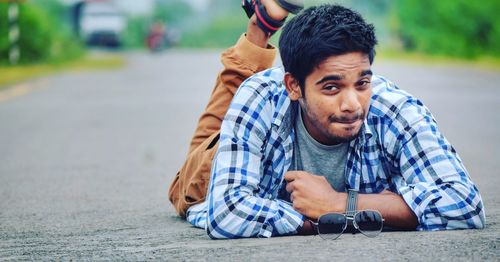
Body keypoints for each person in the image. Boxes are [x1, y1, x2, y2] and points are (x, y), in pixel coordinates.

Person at [168, 1, 485, 239]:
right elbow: (226, 213)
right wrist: (373, 211)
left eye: (362, 83)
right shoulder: (260, 98)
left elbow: (465, 204)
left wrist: (338, 205)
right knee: (199, 163)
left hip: (278, 159)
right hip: (223, 159)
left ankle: (265, 19)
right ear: (293, 86)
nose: (352, 104)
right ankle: (260, 27)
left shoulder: (394, 108)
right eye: (331, 87)